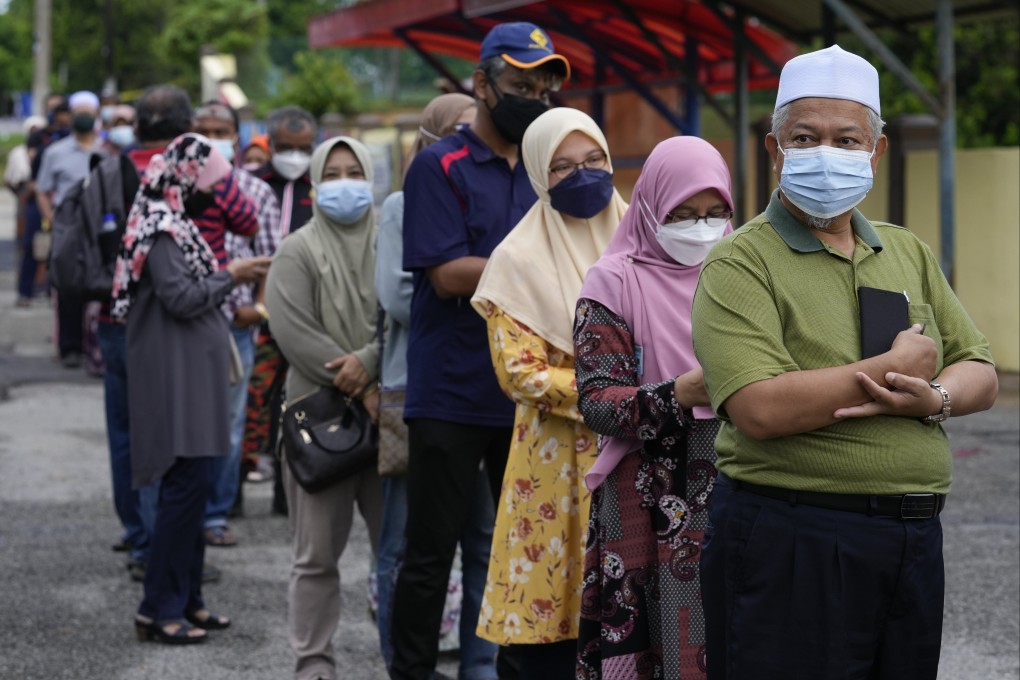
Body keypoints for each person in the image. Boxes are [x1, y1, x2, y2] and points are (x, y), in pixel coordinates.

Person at [691, 45, 998, 679]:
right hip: (796, 537)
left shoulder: (905, 250)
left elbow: (982, 370)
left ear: (875, 152)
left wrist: (935, 397)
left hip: (912, 537)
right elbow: (759, 406)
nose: (827, 153)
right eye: (805, 137)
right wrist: (891, 367)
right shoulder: (741, 260)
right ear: (776, 149)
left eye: (847, 138)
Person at [390, 21, 570, 680]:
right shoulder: (440, 166)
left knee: (525, 548)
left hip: (533, 392)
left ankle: (506, 670)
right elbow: (445, 274)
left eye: (543, 87)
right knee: (430, 551)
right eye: (520, 84)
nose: (533, 97)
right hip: (455, 391)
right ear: (482, 83)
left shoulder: (549, 169)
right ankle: (410, 671)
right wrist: (535, 265)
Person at [471, 106, 626, 677]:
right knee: (550, 618)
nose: (582, 174)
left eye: (594, 160)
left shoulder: (641, 243)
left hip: (632, 458)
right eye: (561, 167)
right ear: (538, 175)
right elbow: (521, 373)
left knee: (627, 616)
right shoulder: (516, 260)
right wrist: (621, 398)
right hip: (554, 462)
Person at [571, 136, 733, 679]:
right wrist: (680, 393)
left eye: (715, 214)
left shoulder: (744, 276)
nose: (701, 228)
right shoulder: (613, 281)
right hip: (646, 491)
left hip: (735, 479)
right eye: (682, 214)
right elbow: (598, 402)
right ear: (648, 208)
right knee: (646, 646)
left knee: (732, 632)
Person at [111, 133, 270, 644]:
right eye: (214, 186)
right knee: (183, 490)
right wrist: (233, 274)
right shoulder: (160, 228)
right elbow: (180, 297)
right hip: (175, 377)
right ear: (185, 179)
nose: (219, 196)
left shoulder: (176, 223)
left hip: (191, 373)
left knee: (195, 487)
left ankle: (189, 599)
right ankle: (157, 609)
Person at [264, 135, 383, 680]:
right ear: (313, 185)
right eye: (330, 173)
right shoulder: (298, 248)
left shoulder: (395, 239)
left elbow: (406, 317)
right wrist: (362, 377)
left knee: (399, 555)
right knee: (315, 558)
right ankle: (313, 665)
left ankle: (403, 659)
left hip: (390, 420)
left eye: (352, 171)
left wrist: (372, 356)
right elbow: (294, 335)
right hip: (321, 420)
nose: (342, 183)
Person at [374, 92, 477, 671]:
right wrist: (490, 287)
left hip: (484, 388)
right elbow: (400, 296)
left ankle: (476, 661)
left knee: (482, 540)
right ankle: (402, 658)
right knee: (408, 542)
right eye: (458, 131)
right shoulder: (402, 202)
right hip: (418, 384)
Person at [94, 84, 195, 583]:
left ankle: (139, 536)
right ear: (188, 124)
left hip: (115, 318)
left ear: (134, 126)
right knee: (177, 436)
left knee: (126, 431)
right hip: (178, 321)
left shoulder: (107, 171)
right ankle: (166, 545)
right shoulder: (193, 172)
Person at [193, 100, 282, 545]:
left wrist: (260, 310)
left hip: (236, 325)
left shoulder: (255, 192)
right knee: (185, 419)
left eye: (221, 130)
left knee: (229, 423)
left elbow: (270, 261)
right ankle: (183, 511)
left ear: (237, 135)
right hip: (185, 322)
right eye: (203, 129)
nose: (212, 138)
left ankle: (214, 514)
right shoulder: (175, 189)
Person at [247, 105, 319, 517]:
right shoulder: (253, 186)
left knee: (297, 406)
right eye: (287, 147)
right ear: (270, 145)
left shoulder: (324, 189)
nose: (295, 155)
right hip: (259, 315)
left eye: (304, 147)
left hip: (306, 315)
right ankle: (231, 493)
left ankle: (286, 493)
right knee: (253, 400)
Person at [36, 90, 106, 369]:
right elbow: (42, 190)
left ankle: (96, 346)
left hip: (101, 229)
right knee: (68, 286)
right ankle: (70, 347)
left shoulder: (106, 151)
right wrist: (51, 220)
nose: (84, 118)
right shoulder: (56, 153)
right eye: (79, 113)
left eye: (89, 113)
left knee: (98, 287)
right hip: (69, 229)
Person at [6, 115, 46, 308]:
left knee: (48, 249)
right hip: (29, 204)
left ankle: (43, 287)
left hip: (46, 201)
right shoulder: (19, 153)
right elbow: (11, 180)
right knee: (27, 246)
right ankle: (25, 290)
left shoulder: (49, 152)